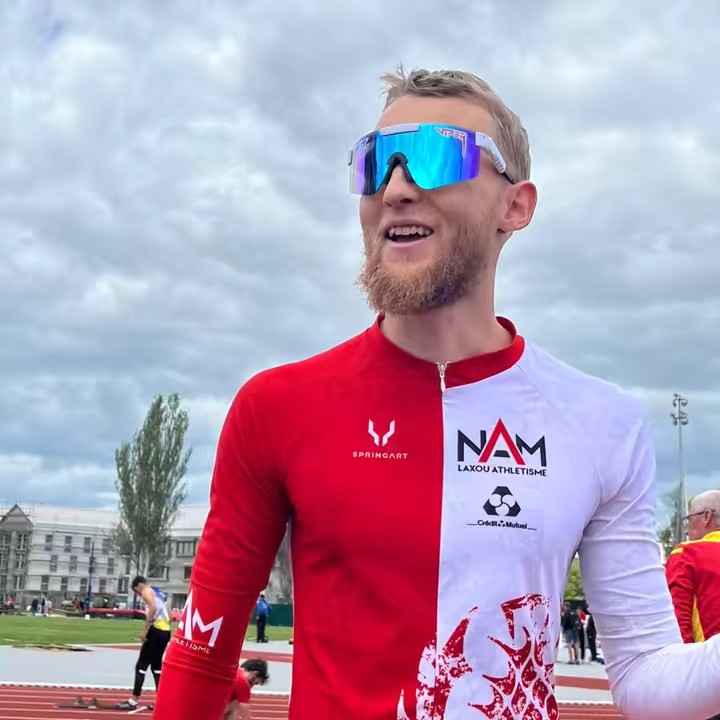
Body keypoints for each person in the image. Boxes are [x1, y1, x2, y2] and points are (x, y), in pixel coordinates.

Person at [153, 67, 720, 719]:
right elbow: (201, 658)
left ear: (516, 206)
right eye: (375, 164)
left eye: (435, 156)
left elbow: (648, 679)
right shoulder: (276, 407)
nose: (396, 187)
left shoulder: (603, 423)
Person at [665, 490, 720, 643]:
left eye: (689, 519)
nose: (686, 529)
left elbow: (677, 623)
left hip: (709, 655)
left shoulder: (686, 555)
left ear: (707, 516)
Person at [116, 576, 172, 711]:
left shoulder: (147, 591)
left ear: (139, 585)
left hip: (156, 630)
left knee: (141, 665)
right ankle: (161, 700)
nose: (139, 595)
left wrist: (145, 629)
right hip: (165, 631)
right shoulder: (159, 593)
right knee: (156, 667)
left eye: (137, 591)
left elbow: (152, 607)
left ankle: (133, 701)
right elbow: (169, 614)